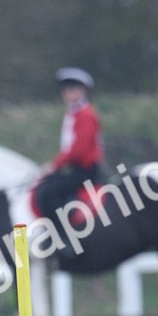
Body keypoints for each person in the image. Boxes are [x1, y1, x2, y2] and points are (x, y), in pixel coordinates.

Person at [33, 67, 104, 220]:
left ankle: (64, 230)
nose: (68, 93)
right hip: (75, 168)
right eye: (65, 89)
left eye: (73, 89)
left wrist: (54, 166)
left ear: (83, 91)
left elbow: (78, 150)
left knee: (51, 192)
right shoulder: (73, 113)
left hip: (86, 170)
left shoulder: (86, 115)